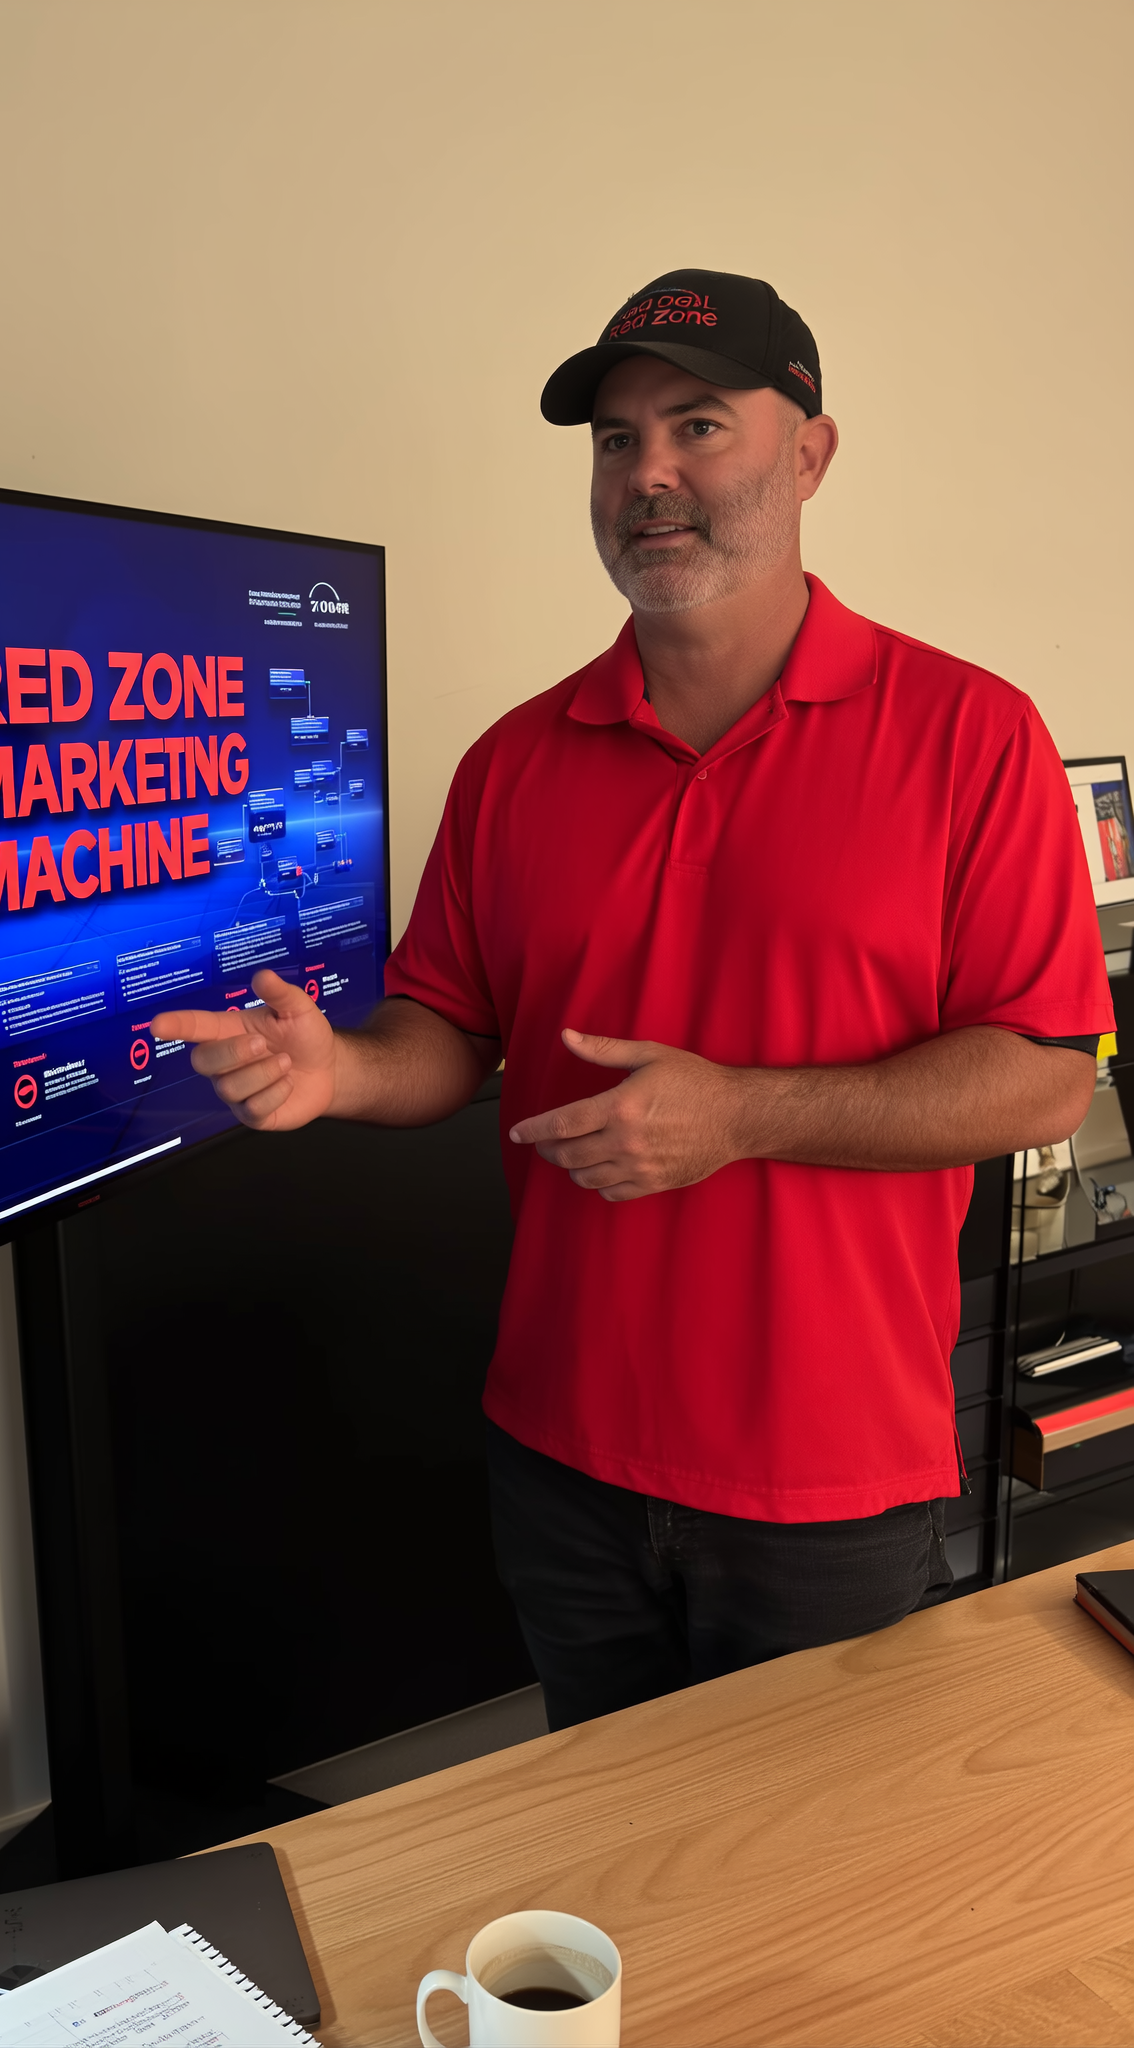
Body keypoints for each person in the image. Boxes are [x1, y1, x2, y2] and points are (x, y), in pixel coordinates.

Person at [153, 268, 1112, 1730]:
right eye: (615, 440)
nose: (649, 474)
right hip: (563, 1458)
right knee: (610, 1895)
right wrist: (339, 1074)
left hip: (827, 1476)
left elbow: (1044, 1073)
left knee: (799, 1909)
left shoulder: (971, 736)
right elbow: (451, 1031)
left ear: (810, 453)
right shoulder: (516, 762)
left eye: (699, 426)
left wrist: (743, 1113)